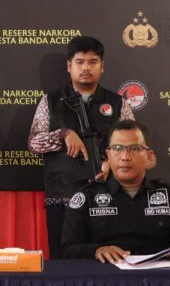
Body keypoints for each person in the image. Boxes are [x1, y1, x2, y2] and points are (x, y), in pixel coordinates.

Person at [28, 35, 134, 259]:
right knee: (63, 262)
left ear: (102, 66)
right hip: (62, 197)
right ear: (69, 66)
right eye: (80, 62)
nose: (86, 68)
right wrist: (63, 135)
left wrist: (111, 164)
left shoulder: (118, 103)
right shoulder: (50, 101)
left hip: (108, 196)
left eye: (93, 62)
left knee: (110, 261)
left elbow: (132, 145)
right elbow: (34, 143)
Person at [62, 120, 170, 262]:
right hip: (107, 281)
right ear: (108, 156)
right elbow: (68, 250)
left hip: (159, 281)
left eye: (134, 148)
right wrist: (96, 251)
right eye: (117, 148)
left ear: (150, 157)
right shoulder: (87, 197)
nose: (125, 157)